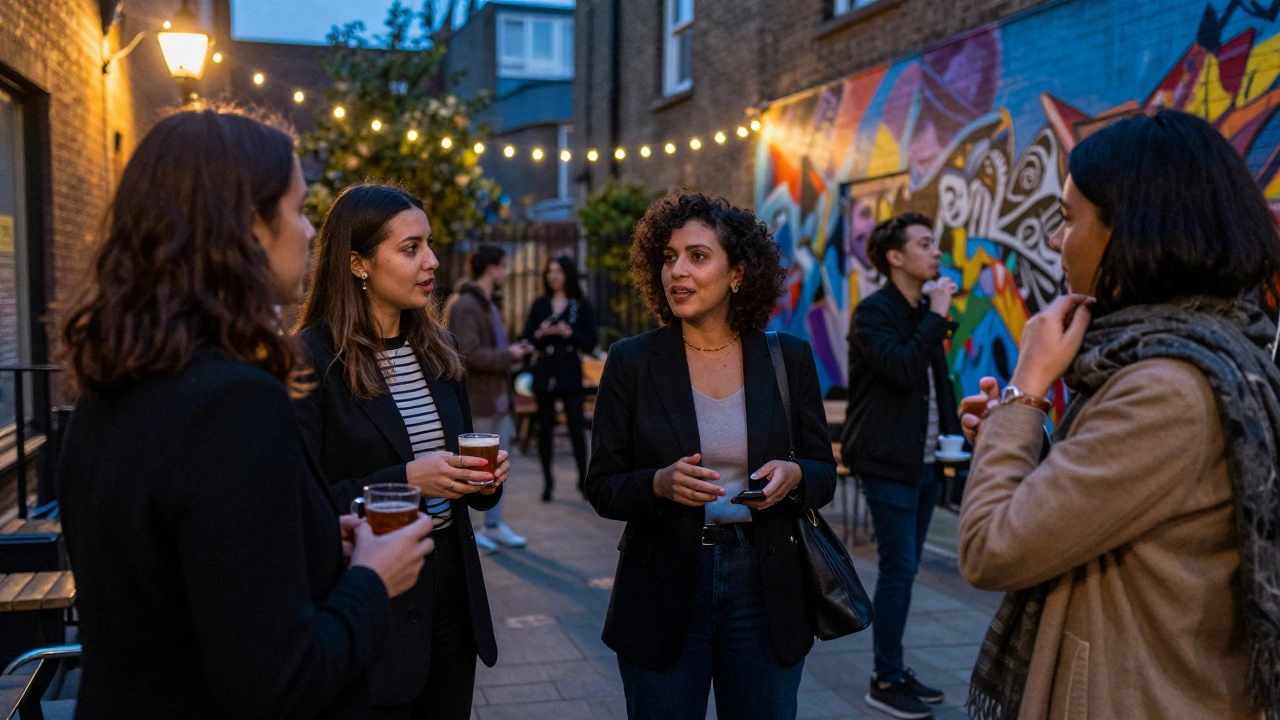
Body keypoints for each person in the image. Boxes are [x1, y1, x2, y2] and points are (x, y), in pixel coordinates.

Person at [55, 108, 434, 718]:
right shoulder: (231, 401)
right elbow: (277, 683)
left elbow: (184, 576)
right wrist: (371, 577)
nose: (311, 232)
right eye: (298, 208)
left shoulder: (114, 384)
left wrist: (314, 538)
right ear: (248, 228)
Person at [958, 109, 1280, 719]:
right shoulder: (1199, 353)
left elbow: (989, 548)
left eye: (1067, 220)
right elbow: (1126, 512)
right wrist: (1018, 437)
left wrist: (1026, 390)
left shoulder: (1166, 387)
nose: (1056, 241)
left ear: (1129, 232)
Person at [586, 191, 837, 720]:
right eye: (669, 257)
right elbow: (603, 484)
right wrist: (658, 484)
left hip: (765, 585)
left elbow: (824, 473)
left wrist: (795, 474)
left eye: (698, 257)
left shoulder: (787, 358)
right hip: (663, 585)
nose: (677, 271)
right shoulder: (632, 362)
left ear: (738, 272)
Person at [294, 184, 507, 719]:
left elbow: (464, 479)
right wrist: (408, 479)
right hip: (370, 601)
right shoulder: (311, 361)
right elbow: (301, 507)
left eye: (428, 245)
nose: (431, 261)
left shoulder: (441, 348)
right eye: (410, 248)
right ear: (358, 263)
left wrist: (485, 480)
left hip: (451, 591)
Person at [841, 212, 960, 719]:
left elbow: (940, 386)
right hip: (888, 462)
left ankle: (894, 666)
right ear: (896, 256)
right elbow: (900, 369)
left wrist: (956, 439)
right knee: (899, 569)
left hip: (926, 463)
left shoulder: (919, 316)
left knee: (904, 574)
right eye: (926, 244)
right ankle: (884, 679)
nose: (937, 253)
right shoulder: (873, 314)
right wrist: (936, 315)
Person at [443, 244, 530, 552]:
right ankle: (477, 527)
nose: (506, 273)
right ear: (492, 267)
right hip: (478, 399)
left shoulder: (488, 303)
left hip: (497, 398)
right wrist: (509, 354)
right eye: (504, 266)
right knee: (474, 466)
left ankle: (492, 525)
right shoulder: (466, 304)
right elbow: (468, 354)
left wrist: (512, 355)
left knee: (496, 470)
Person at [520, 255, 598, 502]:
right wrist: (540, 333)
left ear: (567, 274)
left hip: (569, 370)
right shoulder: (540, 304)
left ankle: (582, 480)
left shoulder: (580, 305)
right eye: (549, 271)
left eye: (557, 271)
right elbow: (526, 338)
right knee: (545, 428)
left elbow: (591, 341)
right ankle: (547, 483)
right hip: (545, 371)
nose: (552, 276)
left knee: (576, 428)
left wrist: (570, 333)